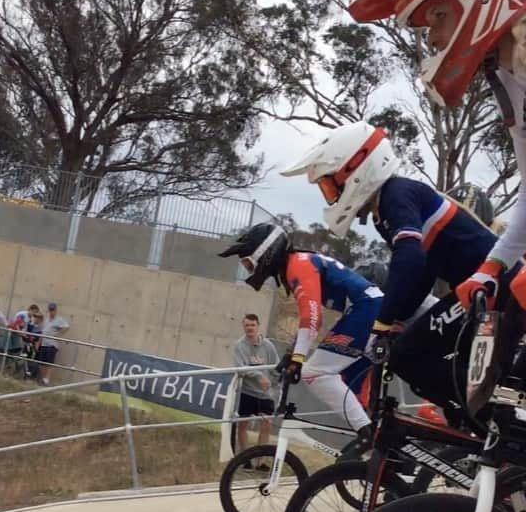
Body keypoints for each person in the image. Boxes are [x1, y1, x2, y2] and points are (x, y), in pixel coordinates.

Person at [280, 121, 516, 416]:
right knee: (420, 351)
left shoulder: (395, 195)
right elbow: (423, 272)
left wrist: (384, 319)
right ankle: (479, 419)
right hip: (481, 288)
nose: (331, 197)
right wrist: (394, 320)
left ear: (356, 170)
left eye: (330, 186)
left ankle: (490, 417)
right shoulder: (385, 212)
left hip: (494, 284)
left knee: (406, 356)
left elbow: (412, 260)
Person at [348, 0, 526, 313]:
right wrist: (491, 267)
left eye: (439, 16)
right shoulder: (509, 80)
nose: (431, 38)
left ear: (484, 1)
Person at [220, 223, 383, 452]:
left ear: (265, 253)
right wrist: (291, 353)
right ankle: (385, 444)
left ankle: (368, 435)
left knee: (313, 374)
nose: (248, 270)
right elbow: (309, 321)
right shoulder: (298, 264)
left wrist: (298, 360)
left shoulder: (298, 265)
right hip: (368, 309)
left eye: (248, 263)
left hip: (367, 310)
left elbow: (311, 318)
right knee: (352, 388)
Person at [231, 312, 279, 457]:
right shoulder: (239, 346)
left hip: (265, 394)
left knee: (266, 424)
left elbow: (275, 367)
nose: (250, 328)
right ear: (243, 327)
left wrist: (275, 383)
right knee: (243, 424)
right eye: (247, 325)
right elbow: (240, 368)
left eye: (252, 325)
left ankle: (260, 460)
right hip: (247, 392)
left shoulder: (268, 346)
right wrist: (259, 376)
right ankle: (244, 458)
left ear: (258, 326)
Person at [36, 302, 69, 386]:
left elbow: (66, 327)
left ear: (55, 310)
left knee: (49, 362)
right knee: (41, 362)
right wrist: (38, 342)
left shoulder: (59, 320)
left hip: (52, 344)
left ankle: (47, 378)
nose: (51, 312)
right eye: (50, 310)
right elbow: (43, 332)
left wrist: (58, 334)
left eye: (53, 310)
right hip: (44, 343)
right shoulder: (46, 320)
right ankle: (43, 379)